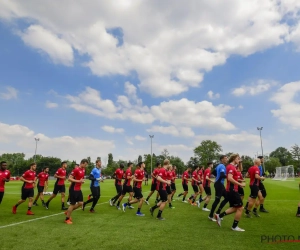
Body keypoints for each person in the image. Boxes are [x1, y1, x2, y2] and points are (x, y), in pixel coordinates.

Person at [215, 154, 246, 232]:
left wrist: (240, 162)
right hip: (232, 190)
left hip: (231, 190)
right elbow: (229, 178)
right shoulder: (231, 167)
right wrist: (240, 184)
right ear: (234, 159)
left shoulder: (233, 167)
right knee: (240, 208)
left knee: (235, 208)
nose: (239, 160)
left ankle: (219, 216)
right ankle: (234, 227)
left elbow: (240, 170)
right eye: (238, 159)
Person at [64, 159, 88, 224]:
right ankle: (67, 219)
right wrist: (79, 181)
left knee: (81, 203)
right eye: (85, 164)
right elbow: (69, 178)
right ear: (82, 163)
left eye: (86, 165)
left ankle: (68, 211)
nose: (86, 166)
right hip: (73, 189)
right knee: (72, 204)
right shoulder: (76, 170)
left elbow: (81, 178)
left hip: (78, 189)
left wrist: (82, 181)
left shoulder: (83, 170)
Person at [208, 155, 228, 221]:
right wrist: (229, 177)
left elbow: (213, 172)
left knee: (226, 198)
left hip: (219, 184)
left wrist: (217, 177)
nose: (226, 159)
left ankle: (217, 213)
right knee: (218, 200)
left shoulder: (219, 166)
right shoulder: (222, 166)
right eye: (225, 158)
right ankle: (212, 215)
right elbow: (222, 175)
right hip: (219, 184)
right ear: (222, 159)